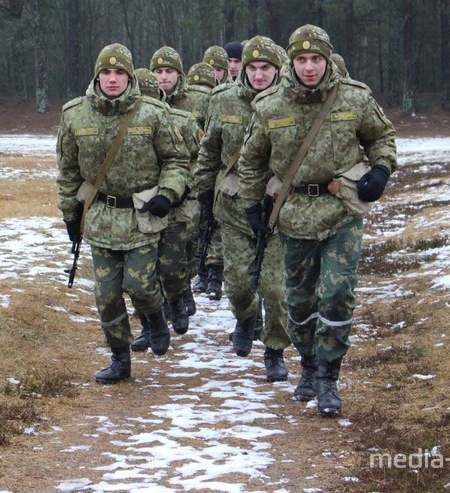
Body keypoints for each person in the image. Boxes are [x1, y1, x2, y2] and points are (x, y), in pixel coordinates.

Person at [235, 25, 397, 416]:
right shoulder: (270, 104)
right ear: (291, 61)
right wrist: (252, 207)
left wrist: (381, 170)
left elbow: (382, 137)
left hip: (342, 212)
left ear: (327, 60)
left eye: (317, 59)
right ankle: (307, 363)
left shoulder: (354, 97)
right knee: (300, 300)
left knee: (337, 295)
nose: (309, 67)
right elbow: (253, 161)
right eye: (302, 59)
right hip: (292, 215)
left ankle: (328, 376)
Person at [56, 44, 190, 384]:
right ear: (97, 75)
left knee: (141, 285)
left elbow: (176, 160)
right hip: (101, 216)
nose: (112, 79)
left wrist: (168, 193)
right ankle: (120, 358)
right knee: (107, 297)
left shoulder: (152, 113)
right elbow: (68, 170)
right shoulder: (75, 115)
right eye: (106, 72)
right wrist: (70, 214)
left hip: (141, 217)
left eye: (119, 73)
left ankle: (156, 318)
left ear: (129, 76)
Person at [194, 35, 290, 382]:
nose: (259, 74)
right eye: (252, 67)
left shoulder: (290, 102)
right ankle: (246, 317)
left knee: (276, 290)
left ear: (278, 69)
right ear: (241, 69)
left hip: (276, 209)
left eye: (266, 68)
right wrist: (203, 193)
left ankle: (275, 350)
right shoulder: (222, 101)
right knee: (237, 285)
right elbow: (209, 152)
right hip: (234, 209)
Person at [129, 68, 200, 350]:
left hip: (172, 207)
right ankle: (149, 325)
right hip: (140, 209)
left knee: (171, 266)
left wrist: (180, 190)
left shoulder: (181, 121)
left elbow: (196, 162)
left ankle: (177, 300)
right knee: (142, 275)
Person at [150, 46, 209, 129]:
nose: (163, 77)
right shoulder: (147, 99)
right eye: (159, 72)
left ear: (178, 73)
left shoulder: (200, 98)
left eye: (169, 71)